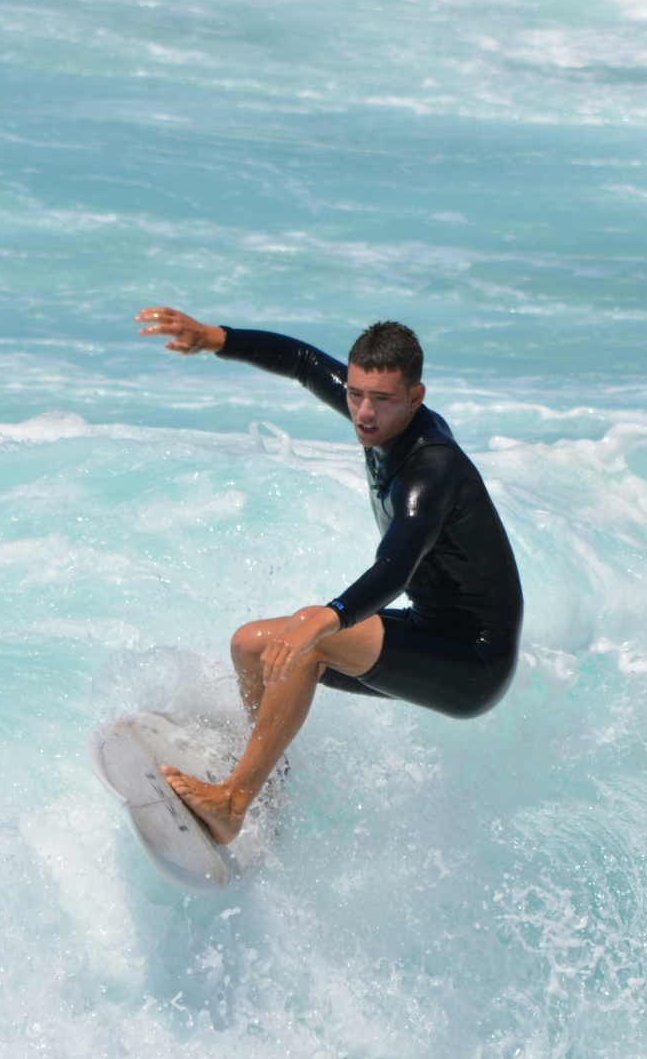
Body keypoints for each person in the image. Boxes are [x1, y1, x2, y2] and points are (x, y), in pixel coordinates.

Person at [135, 306, 525, 843]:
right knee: (252, 645)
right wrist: (213, 338)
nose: (364, 412)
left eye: (383, 400)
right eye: (356, 394)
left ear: (416, 397)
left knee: (307, 643)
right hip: (432, 623)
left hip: (475, 659)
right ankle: (270, 788)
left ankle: (233, 801)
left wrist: (330, 616)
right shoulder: (377, 411)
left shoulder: (430, 472)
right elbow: (300, 361)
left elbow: (396, 565)